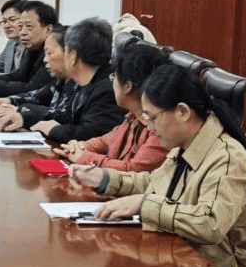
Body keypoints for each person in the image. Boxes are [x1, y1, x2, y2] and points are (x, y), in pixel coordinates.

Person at [68, 64, 246, 267]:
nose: (149, 127)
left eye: (153, 117)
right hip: (182, 263)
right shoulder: (186, 142)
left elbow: (210, 224)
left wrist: (145, 204)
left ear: (182, 112)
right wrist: (105, 178)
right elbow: (154, 183)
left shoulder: (228, 158)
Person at [55, 40, 169, 173]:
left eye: (114, 76)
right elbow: (105, 141)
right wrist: (79, 147)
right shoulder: (133, 117)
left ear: (127, 86)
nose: (112, 82)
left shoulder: (159, 128)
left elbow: (132, 170)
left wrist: (84, 157)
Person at [13, 17, 126, 144]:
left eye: (65, 51)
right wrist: (26, 118)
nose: (45, 59)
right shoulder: (83, 82)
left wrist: (54, 130)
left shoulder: (107, 88)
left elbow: (94, 134)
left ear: (73, 55)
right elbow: (66, 117)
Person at [0, 24, 74, 132]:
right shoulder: (61, 81)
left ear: (71, 54)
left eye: (49, 53)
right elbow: (36, 96)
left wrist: (22, 111)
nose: (45, 60)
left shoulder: (81, 86)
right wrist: (10, 100)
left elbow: (64, 116)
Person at [0, 0, 58, 98]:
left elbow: (32, 89)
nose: (22, 32)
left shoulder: (57, 48)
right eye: (20, 27)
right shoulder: (34, 46)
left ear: (48, 29)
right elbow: (18, 76)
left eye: (28, 26)